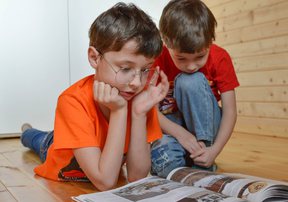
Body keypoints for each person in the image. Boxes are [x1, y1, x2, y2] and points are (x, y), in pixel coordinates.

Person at [20, 2, 169, 191]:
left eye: (145, 70)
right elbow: (105, 182)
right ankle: (27, 130)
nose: (137, 83)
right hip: (57, 148)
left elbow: (137, 176)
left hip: (82, 137)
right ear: (94, 58)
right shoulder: (72, 101)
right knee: (38, 139)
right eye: (125, 68)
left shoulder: (139, 99)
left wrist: (138, 114)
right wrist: (119, 111)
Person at [150, 0, 239, 178]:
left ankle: (203, 156)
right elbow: (148, 110)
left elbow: (230, 111)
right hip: (171, 126)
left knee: (190, 81)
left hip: (206, 127)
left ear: (210, 40)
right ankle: (191, 162)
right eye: (181, 58)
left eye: (200, 56)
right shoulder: (155, 58)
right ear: (165, 42)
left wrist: (214, 150)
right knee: (165, 167)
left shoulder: (220, 57)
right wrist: (180, 134)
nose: (191, 66)